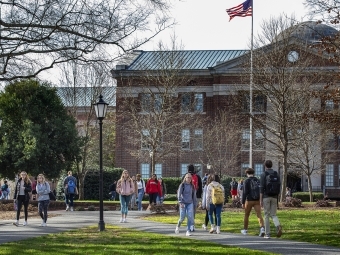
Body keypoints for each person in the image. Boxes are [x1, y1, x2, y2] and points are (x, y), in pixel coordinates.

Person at [260, 160, 282, 239]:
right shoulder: (276, 174)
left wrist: (260, 200)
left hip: (266, 196)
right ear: (271, 165)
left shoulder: (263, 174)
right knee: (273, 214)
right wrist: (278, 198)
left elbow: (261, 188)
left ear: (265, 166)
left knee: (266, 215)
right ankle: (278, 226)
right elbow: (279, 186)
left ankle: (267, 234)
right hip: (274, 197)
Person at [241, 168, 265, 236]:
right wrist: (261, 200)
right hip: (257, 200)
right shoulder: (257, 180)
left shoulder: (246, 181)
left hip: (249, 200)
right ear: (253, 173)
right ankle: (262, 228)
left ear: (247, 173)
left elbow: (245, 192)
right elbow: (261, 190)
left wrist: (243, 202)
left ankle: (245, 230)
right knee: (259, 214)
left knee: (246, 215)